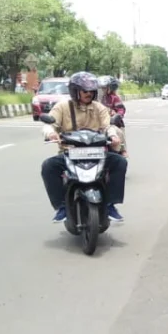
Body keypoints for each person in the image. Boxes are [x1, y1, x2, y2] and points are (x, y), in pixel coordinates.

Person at [41, 71, 128, 222]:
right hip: (70, 152)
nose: (89, 94)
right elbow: (50, 124)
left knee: (120, 162)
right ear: (75, 91)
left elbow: (108, 126)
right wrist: (51, 134)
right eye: (85, 91)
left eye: (92, 91)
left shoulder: (99, 108)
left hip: (97, 153)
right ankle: (62, 207)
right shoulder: (62, 107)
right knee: (48, 166)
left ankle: (110, 205)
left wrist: (113, 136)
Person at [97, 75, 127, 157]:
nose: (101, 90)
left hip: (114, 122)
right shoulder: (98, 98)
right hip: (101, 122)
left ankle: (123, 149)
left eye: (103, 88)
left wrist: (117, 115)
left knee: (120, 133)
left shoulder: (115, 98)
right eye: (100, 88)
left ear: (110, 88)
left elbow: (121, 109)